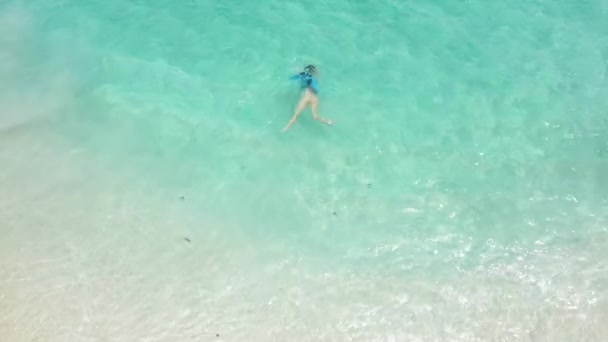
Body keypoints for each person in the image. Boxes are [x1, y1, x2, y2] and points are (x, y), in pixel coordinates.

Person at [282, 65, 333, 132]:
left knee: (295, 116)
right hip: (314, 98)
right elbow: (316, 89)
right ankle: (327, 121)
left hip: (306, 97)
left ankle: (286, 127)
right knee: (315, 116)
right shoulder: (315, 79)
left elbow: (291, 78)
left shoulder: (302, 75)